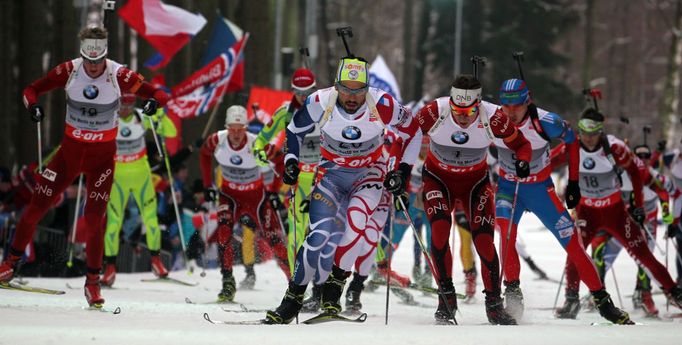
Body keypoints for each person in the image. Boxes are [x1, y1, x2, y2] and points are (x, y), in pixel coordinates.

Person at [0, 27, 169, 307]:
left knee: (94, 220)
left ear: (106, 55)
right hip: (68, 156)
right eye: (88, 61)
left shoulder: (119, 74)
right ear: (81, 56)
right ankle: (10, 264)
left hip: (101, 161)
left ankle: (92, 283)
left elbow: (160, 94)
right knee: (36, 207)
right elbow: (31, 89)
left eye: (98, 61)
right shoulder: (69, 70)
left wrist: (152, 103)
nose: (93, 67)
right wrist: (33, 107)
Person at [263, 56, 421, 324]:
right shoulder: (319, 101)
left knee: (356, 224)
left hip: (369, 174)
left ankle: (334, 291)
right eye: (345, 89)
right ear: (336, 86)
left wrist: (402, 172)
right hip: (331, 175)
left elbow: (413, 131)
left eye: (358, 90)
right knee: (317, 236)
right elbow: (293, 131)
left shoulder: (382, 103)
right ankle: (292, 300)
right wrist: (291, 162)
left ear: (367, 89)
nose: (351, 96)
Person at [495, 79, 633, 324]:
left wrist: (573, 183)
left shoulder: (546, 122)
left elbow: (572, 141)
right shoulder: (493, 119)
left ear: (528, 101)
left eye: (516, 105)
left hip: (540, 190)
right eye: (505, 106)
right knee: (506, 235)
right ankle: (512, 292)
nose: (511, 112)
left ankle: (603, 302)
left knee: (571, 243)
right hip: (508, 188)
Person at [414, 74, 532, 324]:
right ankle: (446, 300)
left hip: (475, 184)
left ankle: (494, 305)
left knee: (484, 241)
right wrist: (398, 168)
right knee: (439, 230)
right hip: (438, 179)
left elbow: (522, 145)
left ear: (478, 104)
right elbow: (405, 136)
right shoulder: (435, 111)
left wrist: (523, 161)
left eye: (469, 111)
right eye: (457, 109)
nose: (463, 116)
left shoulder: (494, 116)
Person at [552, 109, 682, 319]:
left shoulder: (615, 148)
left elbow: (637, 174)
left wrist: (637, 205)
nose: (589, 138)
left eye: (593, 134)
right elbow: (545, 164)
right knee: (575, 253)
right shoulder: (571, 146)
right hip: (587, 212)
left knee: (643, 254)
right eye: (584, 133)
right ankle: (571, 300)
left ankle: (675, 292)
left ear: (600, 132)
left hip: (615, 213)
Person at [200, 105, 290, 303]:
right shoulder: (217, 139)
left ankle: (295, 286)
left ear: (246, 129)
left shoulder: (256, 143)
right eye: (232, 128)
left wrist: (274, 190)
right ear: (227, 127)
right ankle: (228, 283)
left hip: (255, 199)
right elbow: (204, 154)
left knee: (273, 238)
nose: (236, 134)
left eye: (240, 129)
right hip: (229, 197)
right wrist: (207, 185)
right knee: (223, 235)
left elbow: (281, 161)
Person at [101, 93, 177, 287]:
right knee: (113, 223)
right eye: (122, 105)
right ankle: (110, 268)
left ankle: (156, 261)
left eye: (129, 105)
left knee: (151, 220)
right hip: (118, 177)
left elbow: (171, 132)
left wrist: (159, 113)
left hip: (141, 176)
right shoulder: (109, 118)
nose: (125, 109)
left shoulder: (142, 116)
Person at [253, 67, 318, 274]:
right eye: (298, 92)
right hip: (298, 180)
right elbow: (261, 139)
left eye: (307, 92)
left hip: (325, 178)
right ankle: (296, 284)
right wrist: (259, 153)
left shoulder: (328, 107)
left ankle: (325, 287)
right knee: (297, 234)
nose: (303, 97)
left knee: (323, 232)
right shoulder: (284, 112)